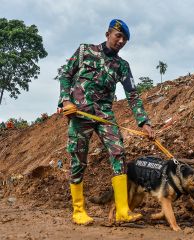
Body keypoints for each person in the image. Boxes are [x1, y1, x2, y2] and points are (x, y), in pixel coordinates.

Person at [58, 19, 155, 225]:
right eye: (118, 36)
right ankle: (78, 210)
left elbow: (133, 95)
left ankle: (122, 210)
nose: (121, 41)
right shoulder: (85, 51)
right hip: (79, 113)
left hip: (104, 115)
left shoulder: (122, 66)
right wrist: (66, 100)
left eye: (125, 40)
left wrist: (144, 122)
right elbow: (66, 74)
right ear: (107, 34)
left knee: (118, 152)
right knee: (78, 160)